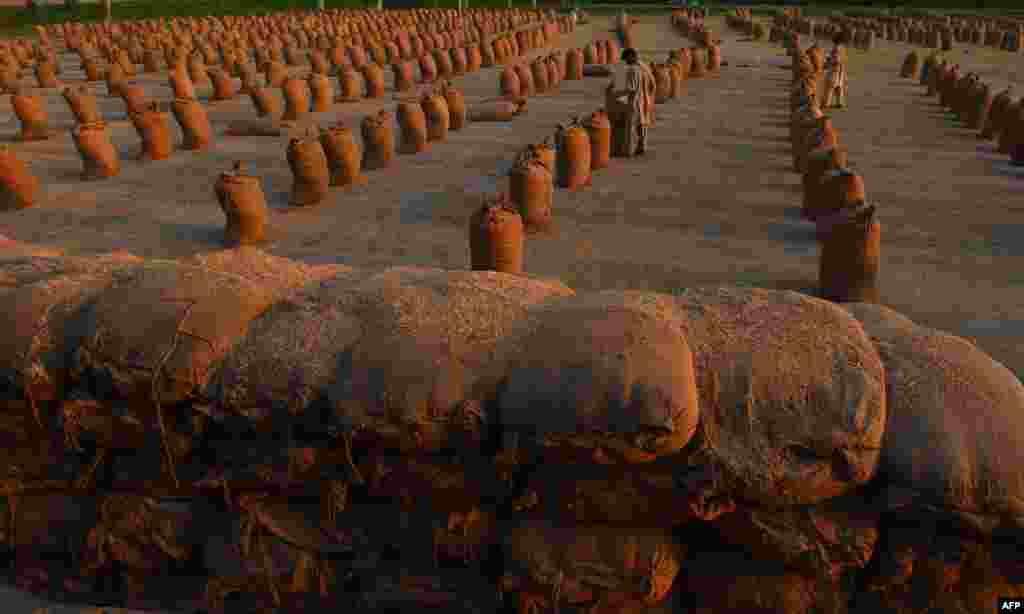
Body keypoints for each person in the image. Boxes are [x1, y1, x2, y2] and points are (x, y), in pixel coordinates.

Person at [619, 47, 657, 155]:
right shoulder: (644, 66)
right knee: (642, 123)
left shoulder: (633, 69)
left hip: (636, 100)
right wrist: (649, 97)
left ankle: (629, 149)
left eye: (626, 59)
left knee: (632, 125)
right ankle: (642, 146)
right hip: (645, 99)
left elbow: (631, 88)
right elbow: (653, 83)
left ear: (631, 57)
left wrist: (619, 94)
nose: (626, 62)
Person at [822, 32, 849, 109]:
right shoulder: (843, 47)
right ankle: (839, 102)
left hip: (835, 69)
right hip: (841, 69)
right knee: (839, 87)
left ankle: (826, 103)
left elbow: (836, 59)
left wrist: (827, 62)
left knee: (830, 86)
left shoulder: (836, 48)